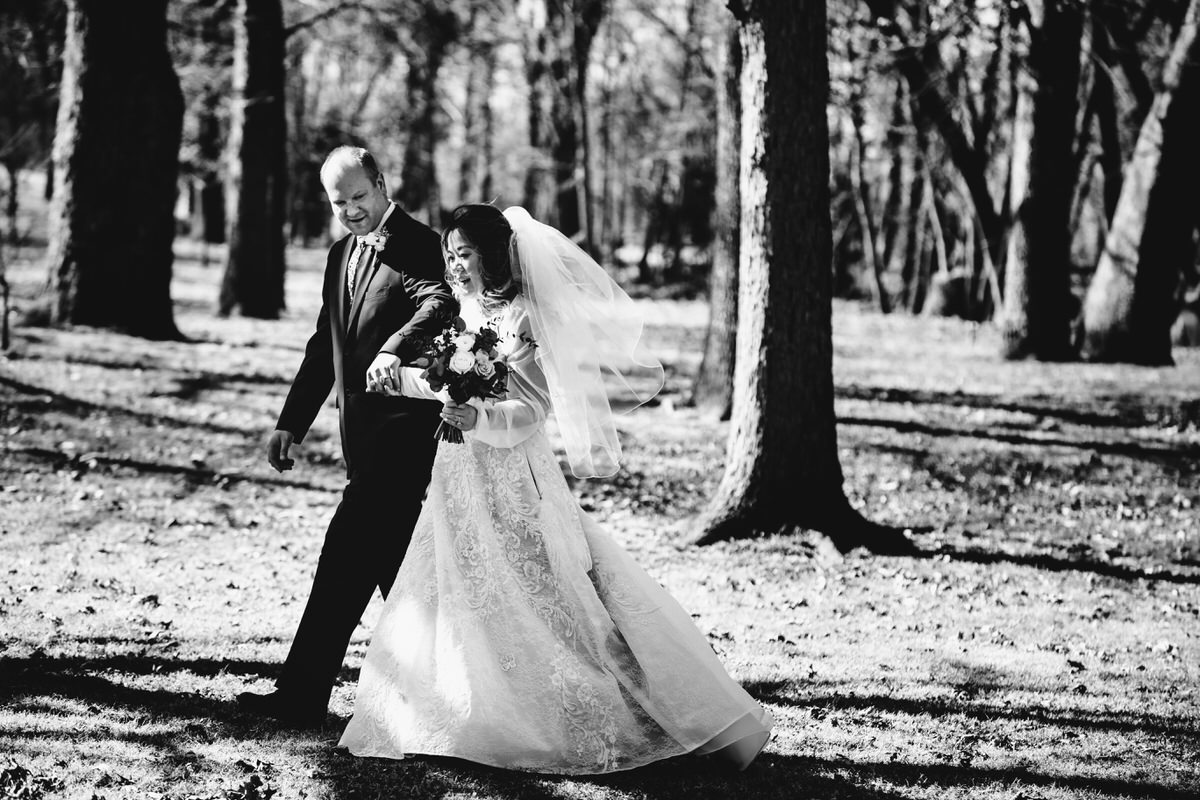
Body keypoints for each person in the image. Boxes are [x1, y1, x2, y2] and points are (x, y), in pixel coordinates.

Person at [337, 204, 772, 773]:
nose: (455, 266)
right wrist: (405, 381)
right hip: (458, 473)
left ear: (493, 256)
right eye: (449, 255)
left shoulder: (525, 317)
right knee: (462, 584)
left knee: (544, 592)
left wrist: (479, 420)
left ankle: (643, 713)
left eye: (464, 255)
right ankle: (464, 711)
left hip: (513, 477)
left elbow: (533, 408)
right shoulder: (460, 311)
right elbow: (453, 387)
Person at [237, 146, 457, 726]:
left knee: (345, 567)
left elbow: (439, 303)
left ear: (382, 184)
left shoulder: (421, 244)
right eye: (340, 203)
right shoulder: (340, 255)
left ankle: (303, 696)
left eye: (360, 197)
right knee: (394, 576)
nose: (353, 211)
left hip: (407, 440)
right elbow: (322, 347)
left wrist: (393, 348)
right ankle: (446, 697)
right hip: (361, 441)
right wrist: (291, 422)